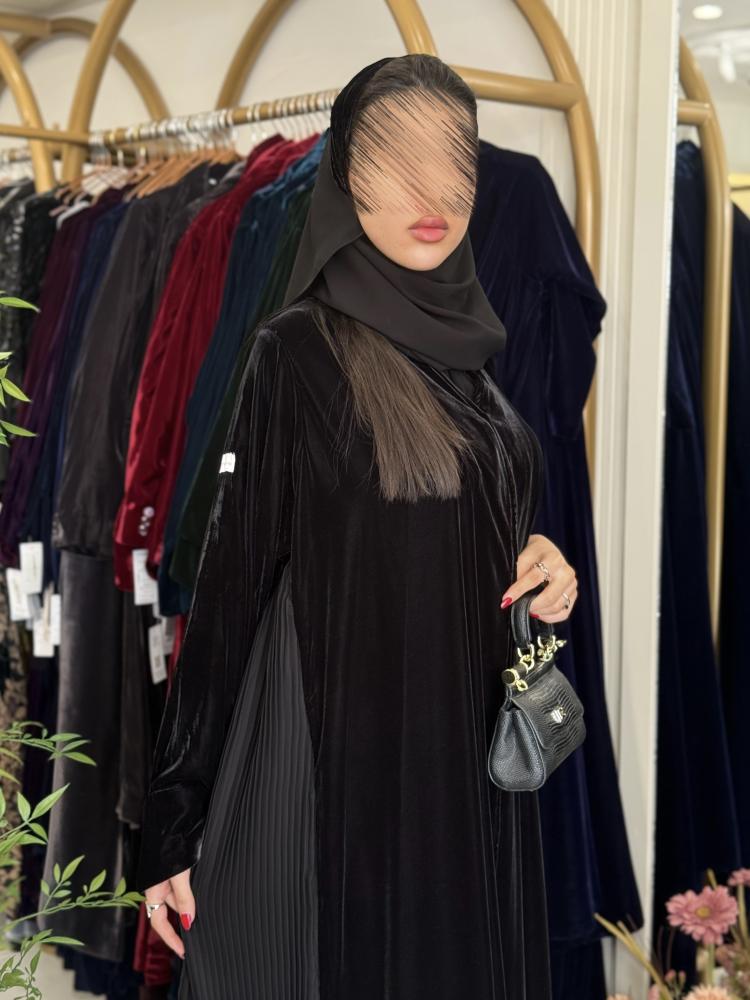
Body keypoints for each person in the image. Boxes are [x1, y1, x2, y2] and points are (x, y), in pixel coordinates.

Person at [137, 52, 578, 1000]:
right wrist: (173, 822)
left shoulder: (469, 349)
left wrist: (544, 561)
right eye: (395, 158)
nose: (432, 190)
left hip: (473, 775)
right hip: (358, 778)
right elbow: (229, 590)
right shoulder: (297, 353)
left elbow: (456, 529)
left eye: (453, 158)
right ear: (345, 175)